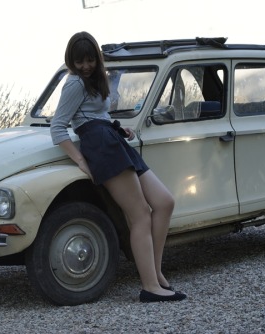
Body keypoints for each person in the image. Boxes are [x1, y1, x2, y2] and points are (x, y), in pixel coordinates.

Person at [50, 31, 187, 303]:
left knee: (164, 202)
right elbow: (58, 127)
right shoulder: (74, 83)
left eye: (90, 60)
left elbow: (95, 114)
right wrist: (81, 160)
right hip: (100, 146)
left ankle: (155, 274)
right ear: (72, 61)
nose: (86, 66)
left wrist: (116, 126)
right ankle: (150, 286)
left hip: (111, 139)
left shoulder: (94, 79)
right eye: (80, 61)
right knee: (139, 215)